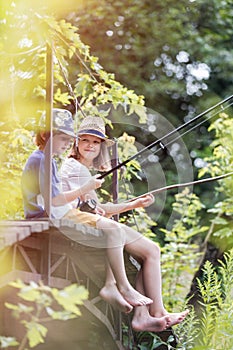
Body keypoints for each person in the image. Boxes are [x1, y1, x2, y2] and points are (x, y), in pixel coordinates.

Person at [60, 115, 189, 332]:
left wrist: (135, 203)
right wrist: (120, 205)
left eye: (96, 142)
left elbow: (98, 207)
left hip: (84, 218)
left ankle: (148, 315)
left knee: (150, 251)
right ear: (76, 142)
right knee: (143, 246)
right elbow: (97, 209)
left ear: (101, 146)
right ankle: (151, 311)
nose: (90, 146)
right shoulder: (76, 168)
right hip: (72, 220)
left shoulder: (82, 169)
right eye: (85, 140)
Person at [21, 108, 154, 313]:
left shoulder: (45, 158)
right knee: (115, 231)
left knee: (114, 229)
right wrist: (86, 188)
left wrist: (129, 204)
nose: (67, 144)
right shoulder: (43, 160)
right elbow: (54, 201)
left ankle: (116, 287)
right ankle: (122, 288)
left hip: (58, 212)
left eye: (69, 139)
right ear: (47, 134)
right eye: (64, 138)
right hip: (54, 215)